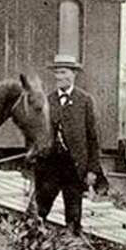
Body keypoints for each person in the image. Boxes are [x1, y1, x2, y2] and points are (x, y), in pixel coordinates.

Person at [34, 53, 102, 235]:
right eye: (56, 73)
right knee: (41, 208)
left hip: (74, 166)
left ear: (73, 75)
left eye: (63, 72)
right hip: (51, 166)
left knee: (73, 211)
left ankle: (72, 245)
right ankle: (36, 242)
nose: (59, 77)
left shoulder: (85, 101)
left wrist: (92, 170)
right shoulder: (48, 101)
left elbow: (93, 138)